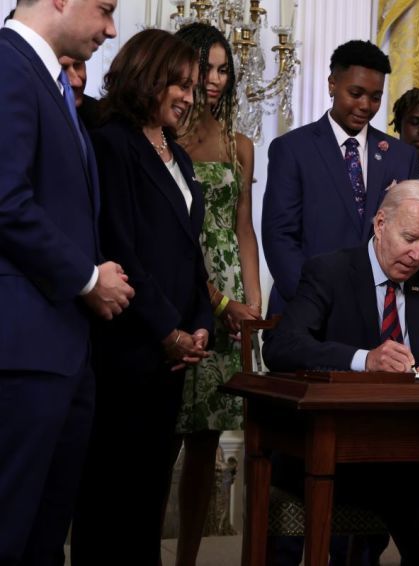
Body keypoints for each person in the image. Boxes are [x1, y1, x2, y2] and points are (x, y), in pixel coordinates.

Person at [263, 180, 419, 565]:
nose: (417, 254)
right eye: (410, 238)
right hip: (340, 449)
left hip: (416, 450)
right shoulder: (329, 272)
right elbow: (281, 347)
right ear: (380, 224)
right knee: (416, 506)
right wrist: (364, 359)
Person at [70, 29, 213, 566]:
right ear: (147, 77)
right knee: (110, 500)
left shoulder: (179, 155)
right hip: (126, 348)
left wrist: (200, 324)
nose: (188, 96)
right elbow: (118, 246)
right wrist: (166, 331)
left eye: (193, 86)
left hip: (170, 358)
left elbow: (188, 252)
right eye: (178, 83)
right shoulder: (112, 141)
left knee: (147, 498)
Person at [0, 1, 133, 564]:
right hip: (22, 353)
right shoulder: (7, 68)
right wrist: (86, 278)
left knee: (43, 538)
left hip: (63, 352)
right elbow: (5, 201)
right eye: (104, 8)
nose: (110, 27)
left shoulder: (50, 82)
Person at [172, 23, 261, 566]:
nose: (214, 79)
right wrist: (219, 302)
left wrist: (252, 301)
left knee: (207, 437)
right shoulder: (162, 138)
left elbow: (243, 227)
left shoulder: (239, 145)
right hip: (183, 289)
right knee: (165, 432)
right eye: (205, 67)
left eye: (223, 69)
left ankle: (187, 556)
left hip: (231, 295)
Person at [262, 39, 419, 314]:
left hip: (378, 313)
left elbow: (409, 235)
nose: (365, 105)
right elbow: (280, 236)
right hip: (306, 312)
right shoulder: (292, 149)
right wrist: (313, 302)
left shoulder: (400, 156)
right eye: (355, 93)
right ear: (332, 84)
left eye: (375, 97)